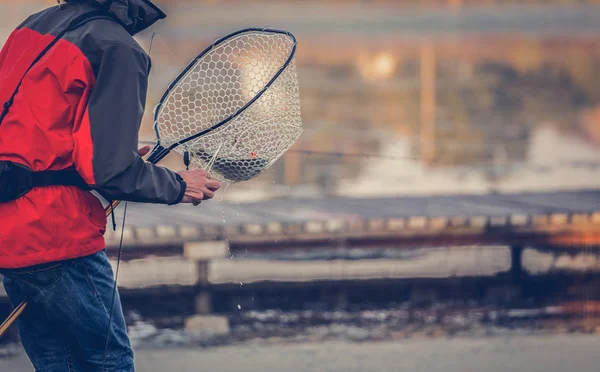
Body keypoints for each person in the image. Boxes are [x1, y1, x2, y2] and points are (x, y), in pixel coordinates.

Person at [0, 0, 220, 370]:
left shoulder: (33, 26)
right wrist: (180, 185)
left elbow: (29, 129)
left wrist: (111, 148)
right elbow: (110, 172)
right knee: (109, 363)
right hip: (57, 238)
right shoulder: (117, 46)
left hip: (11, 234)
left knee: (59, 364)